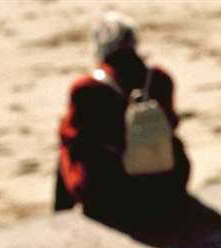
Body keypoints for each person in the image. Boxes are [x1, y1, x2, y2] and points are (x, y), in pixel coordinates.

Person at [56, 12, 192, 229]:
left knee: (68, 140)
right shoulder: (159, 78)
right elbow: (172, 123)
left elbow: (72, 136)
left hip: (110, 195)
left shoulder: (86, 88)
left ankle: (61, 217)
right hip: (167, 183)